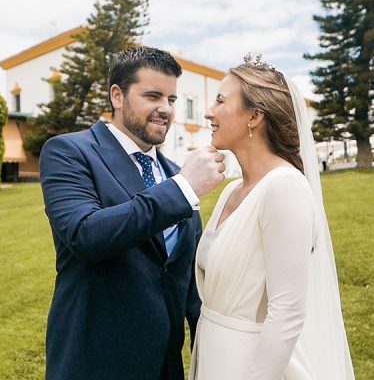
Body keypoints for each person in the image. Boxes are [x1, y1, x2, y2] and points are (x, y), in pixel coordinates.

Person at [40, 46, 225, 380]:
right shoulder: (69, 152)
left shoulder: (174, 174)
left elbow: (189, 288)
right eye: (153, 96)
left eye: (171, 99)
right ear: (117, 95)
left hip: (165, 368)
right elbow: (86, 235)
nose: (165, 109)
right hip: (94, 363)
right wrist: (183, 188)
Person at [189, 54, 355, 380]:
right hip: (212, 352)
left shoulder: (285, 189)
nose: (209, 112)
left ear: (254, 116)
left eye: (221, 101)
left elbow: (287, 312)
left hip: (250, 365)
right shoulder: (231, 190)